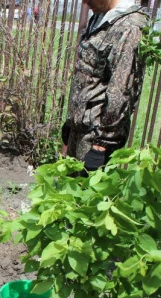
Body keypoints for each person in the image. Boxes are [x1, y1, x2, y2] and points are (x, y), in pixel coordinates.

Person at [61, 0, 147, 172]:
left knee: (88, 193)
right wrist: (70, 123)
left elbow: (122, 91)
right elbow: (88, 76)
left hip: (96, 136)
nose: (85, 2)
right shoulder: (101, 17)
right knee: (67, 191)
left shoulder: (129, 27)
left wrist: (101, 144)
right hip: (80, 127)